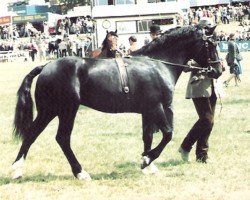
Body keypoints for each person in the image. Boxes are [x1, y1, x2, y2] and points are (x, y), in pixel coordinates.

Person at [178, 18, 224, 163]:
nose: (209, 32)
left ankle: (202, 156)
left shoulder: (211, 43)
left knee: (209, 122)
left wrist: (220, 66)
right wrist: (198, 65)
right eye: (207, 29)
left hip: (213, 86)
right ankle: (185, 146)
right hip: (199, 86)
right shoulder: (192, 45)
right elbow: (185, 66)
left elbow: (218, 60)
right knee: (207, 120)